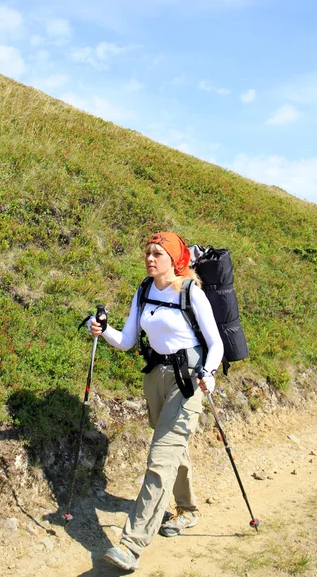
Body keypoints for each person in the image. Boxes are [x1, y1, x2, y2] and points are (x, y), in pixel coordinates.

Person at [89, 231, 224, 572]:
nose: (150, 258)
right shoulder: (144, 290)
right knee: (171, 447)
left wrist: (208, 372)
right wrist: (103, 330)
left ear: (174, 260)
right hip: (156, 377)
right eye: (148, 253)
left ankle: (130, 547)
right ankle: (188, 510)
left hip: (188, 379)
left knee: (159, 459)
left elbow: (216, 343)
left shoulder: (192, 292)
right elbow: (128, 340)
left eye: (157, 254)